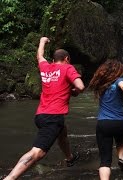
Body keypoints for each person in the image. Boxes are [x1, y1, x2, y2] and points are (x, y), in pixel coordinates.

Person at [4, 37, 85, 180]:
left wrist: (42, 41)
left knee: (62, 133)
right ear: (67, 58)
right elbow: (80, 86)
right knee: (38, 152)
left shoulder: (46, 67)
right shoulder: (68, 68)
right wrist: (74, 92)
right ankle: (10, 178)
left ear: (53, 60)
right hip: (53, 117)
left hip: (41, 115)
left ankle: (69, 158)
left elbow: (40, 56)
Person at [88, 59, 123, 180]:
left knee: (105, 161)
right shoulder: (119, 80)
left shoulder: (100, 84)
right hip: (121, 123)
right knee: (120, 139)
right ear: (118, 71)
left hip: (104, 123)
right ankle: (121, 159)